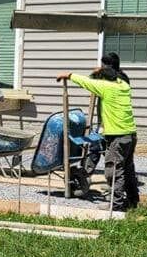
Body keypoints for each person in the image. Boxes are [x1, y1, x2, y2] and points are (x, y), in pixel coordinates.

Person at [56, 52, 139, 211]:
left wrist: (69, 75)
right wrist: (100, 71)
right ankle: (133, 201)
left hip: (117, 136)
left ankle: (116, 205)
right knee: (127, 170)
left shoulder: (105, 87)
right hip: (130, 134)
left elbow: (86, 82)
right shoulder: (123, 84)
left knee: (113, 171)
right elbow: (109, 76)